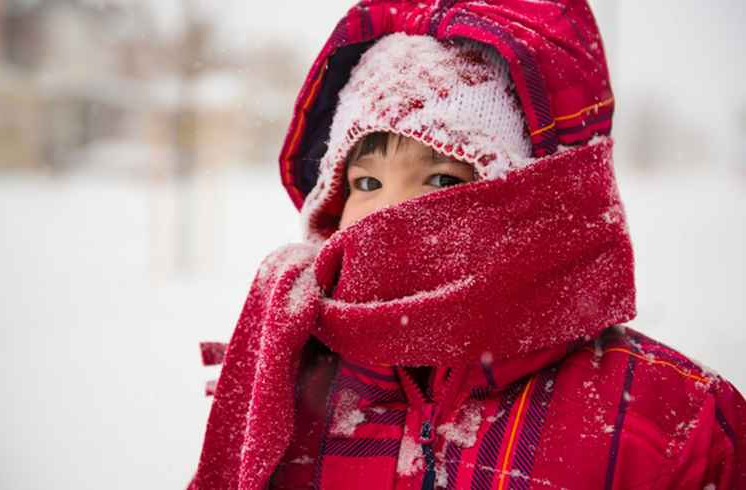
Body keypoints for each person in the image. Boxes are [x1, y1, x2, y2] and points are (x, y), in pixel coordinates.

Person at [188, 2, 746, 489]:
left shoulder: (670, 423)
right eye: (366, 182)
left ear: (540, 203)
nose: (390, 214)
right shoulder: (289, 388)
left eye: (442, 180)